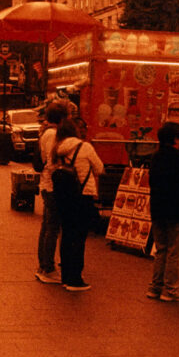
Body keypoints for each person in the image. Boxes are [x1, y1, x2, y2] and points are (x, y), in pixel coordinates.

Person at [146, 122, 179, 303]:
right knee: (174, 251)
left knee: (161, 249)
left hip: (158, 208)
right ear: (175, 138)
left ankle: (155, 287)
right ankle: (170, 290)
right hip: (176, 209)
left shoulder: (155, 157)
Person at [53, 119, 103, 292]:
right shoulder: (85, 147)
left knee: (66, 235)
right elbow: (100, 168)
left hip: (64, 196)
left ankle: (66, 276)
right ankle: (76, 279)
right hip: (83, 195)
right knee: (79, 238)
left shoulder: (57, 149)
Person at [35, 101, 68, 283]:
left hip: (46, 184)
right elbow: (52, 160)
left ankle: (43, 265)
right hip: (52, 184)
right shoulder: (53, 135)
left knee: (47, 226)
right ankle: (48, 267)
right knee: (52, 228)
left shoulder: (46, 133)